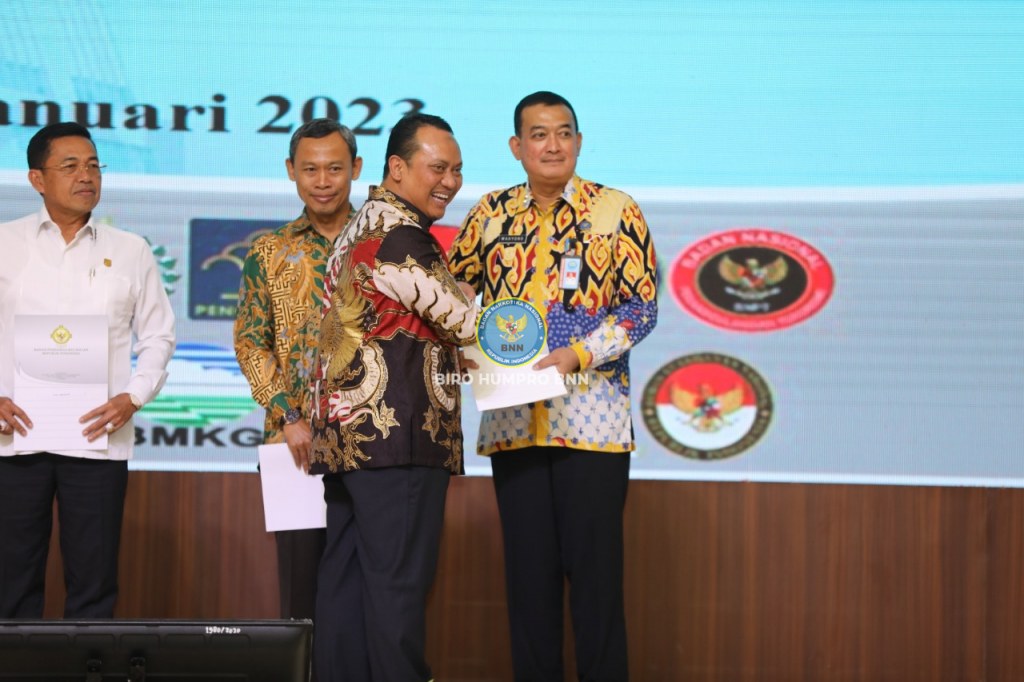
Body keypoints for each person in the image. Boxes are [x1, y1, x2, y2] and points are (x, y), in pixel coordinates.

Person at [448, 91, 659, 681]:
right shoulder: (490, 213)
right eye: (538, 135)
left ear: (579, 142)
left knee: (596, 585)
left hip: (593, 424)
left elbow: (641, 308)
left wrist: (579, 354)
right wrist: (461, 341)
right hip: (513, 422)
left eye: (564, 133)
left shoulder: (615, 210)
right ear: (517, 147)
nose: (553, 145)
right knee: (529, 584)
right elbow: (457, 291)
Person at [309, 112, 480, 682]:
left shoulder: (358, 227)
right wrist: (474, 299)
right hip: (398, 435)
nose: (450, 181)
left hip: (350, 440)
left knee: (346, 585)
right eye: (439, 168)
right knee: (397, 589)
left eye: (457, 169)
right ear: (398, 168)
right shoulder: (403, 236)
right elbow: (464, 324)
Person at [0, 122, 176, 618]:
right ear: (37, 179)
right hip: (14, 440)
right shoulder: (4, 243)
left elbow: (158, 335)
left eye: (94, 165)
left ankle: (90, 662)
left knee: (94, 586)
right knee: (11, 582)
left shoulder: (130, 249)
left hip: (97, 440)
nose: (87, 176)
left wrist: (133, 397)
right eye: (71, 166)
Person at [234, 119, 363, 631]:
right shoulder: (268, 251)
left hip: (372, 446)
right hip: (292, 446)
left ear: (356, 168)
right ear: (291, 171)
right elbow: (250, 342)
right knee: (301, 596)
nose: (323, 181)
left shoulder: (384, 246)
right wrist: (289, 416)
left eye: (335, 168)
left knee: (368, 591)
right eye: (310, 169)